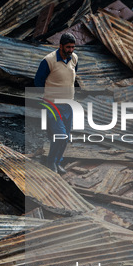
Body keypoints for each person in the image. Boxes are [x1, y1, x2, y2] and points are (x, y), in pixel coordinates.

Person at [34, 33, 78, 174]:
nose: (71, 50)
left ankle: (57, 162)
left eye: (72, 47)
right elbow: (38, 82)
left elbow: (72, 78)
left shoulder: (75, 59)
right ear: (60, 46)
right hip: (52, 104)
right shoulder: (48, 61)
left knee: (65, 138)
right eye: (68, 47)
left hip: (68, 105)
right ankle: (51, 162)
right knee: (60, 135)